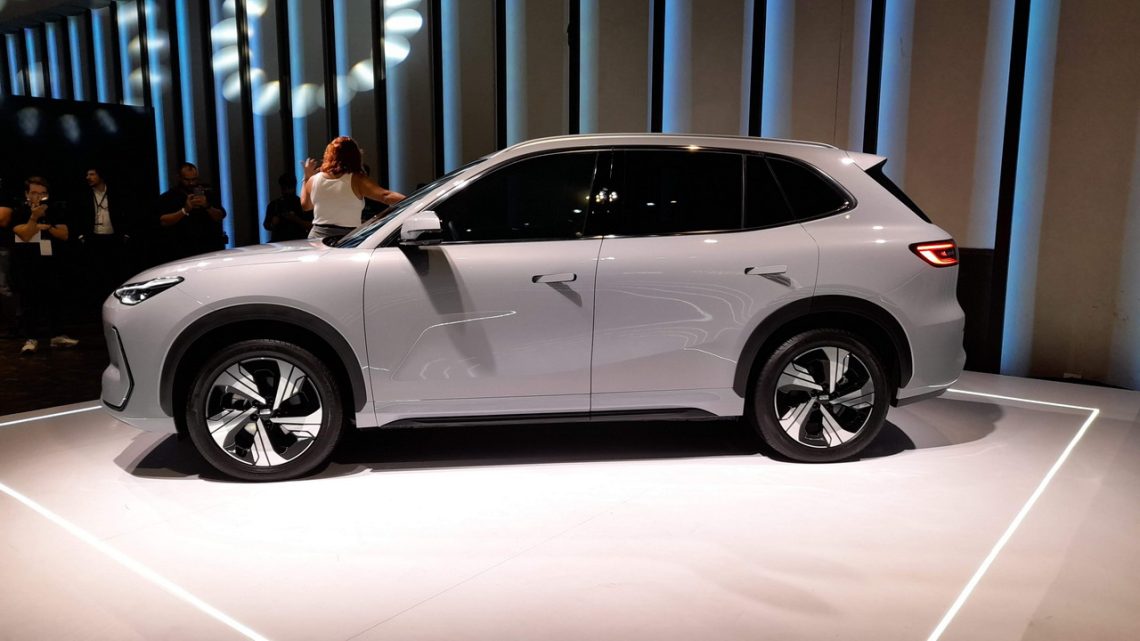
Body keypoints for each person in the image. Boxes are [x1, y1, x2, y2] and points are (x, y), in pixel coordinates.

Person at [9, 177, 78, 354]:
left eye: (42, 193)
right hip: (26, 263)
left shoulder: (54, 210)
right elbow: (24, 234)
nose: (38, 197)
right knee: (29, 301)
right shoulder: (19, 212)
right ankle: (30, 338)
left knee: (54, 298)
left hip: (51, 261)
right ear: (26, 194)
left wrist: (47, 227)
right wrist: (34, 218)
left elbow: (64, 234)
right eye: (34, 193)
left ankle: (57, 335)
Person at [301, 137, 404, 240]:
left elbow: (306, 206)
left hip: (317, 238)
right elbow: (385, 196)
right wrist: (412, 203)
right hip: (346, 239)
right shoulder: (356, 179)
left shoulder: (313, 180)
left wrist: (306, 178)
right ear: (355, 157)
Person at [74, 167, 133, 303]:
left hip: (114, 237)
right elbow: (77, 216)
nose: (88, 177)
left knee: (115, 272)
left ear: (101, 175)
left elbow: (127, 212)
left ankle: (115, 301)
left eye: (92, 174)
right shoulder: (84, 194)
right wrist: (81, 236)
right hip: (93, 238)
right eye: (87, 174)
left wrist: (126, 234)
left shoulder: (115, 192)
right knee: (96, 273)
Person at [157, 162, 228, 261]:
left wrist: (207, 206)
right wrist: (184, 210)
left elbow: (220, 216)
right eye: (187, 180)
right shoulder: (170, 196)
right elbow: (163, 221)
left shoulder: (207, 193)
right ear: (179, 178)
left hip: (209, 248)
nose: (191, 183)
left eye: (194, 179)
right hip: (181, 249)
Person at [263, 173, 312, 242]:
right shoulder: (274, 205)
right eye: (284, 188)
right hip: (281, 241)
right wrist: (273, 223)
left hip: (298, 241)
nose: (287, 191)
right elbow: (266, 225)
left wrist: (295, 219)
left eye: (289, 188)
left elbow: (311, 226)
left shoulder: (302, 204)